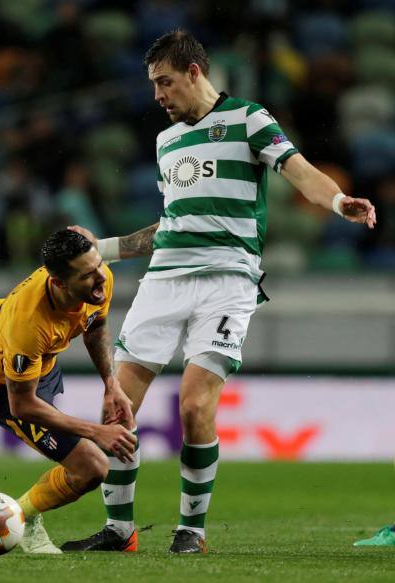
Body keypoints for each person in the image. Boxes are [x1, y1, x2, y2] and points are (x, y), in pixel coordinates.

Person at [59, 30, 377, 555]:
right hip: (163, 281)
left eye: (165, 83)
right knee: (117, 408)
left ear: (194, 73)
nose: (158, 96)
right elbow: (172, 224)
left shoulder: (250, 119)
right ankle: (119, 530)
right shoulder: (166, 142)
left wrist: (339, 200)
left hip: (227, 282)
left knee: (193, 407)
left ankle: (192, 530)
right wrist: (105, 249)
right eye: (153, 86)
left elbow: (299, 173)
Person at [0, 229, 137, 554]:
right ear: (59, 282)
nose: (101, 277)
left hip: (36, 365)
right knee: (92, 468)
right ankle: (22, 517)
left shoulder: (97, 279)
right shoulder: (29, 325)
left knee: (6, 364)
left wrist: (111, 384)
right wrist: (96, 431)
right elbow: (23, 406)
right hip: (1, 392)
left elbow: (95, 326)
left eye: (99, 264)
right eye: (88, 274)